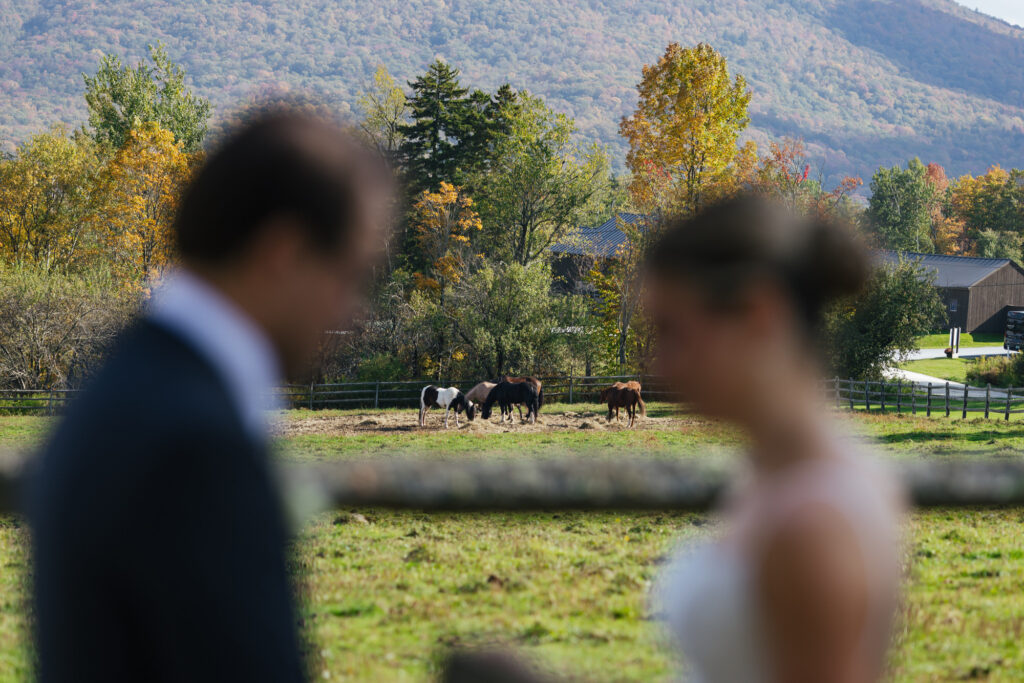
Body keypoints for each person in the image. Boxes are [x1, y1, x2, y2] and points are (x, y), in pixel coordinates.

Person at [28, 110, 388, 682]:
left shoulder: (124, 386)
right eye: (346, 274)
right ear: (283, 252)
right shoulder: (196, 445)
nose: (349, 309)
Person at [645, 196, 904, 683]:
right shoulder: (783, 471)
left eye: (673, 331)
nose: (659, 365)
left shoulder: (815, 522)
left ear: (757, 312)